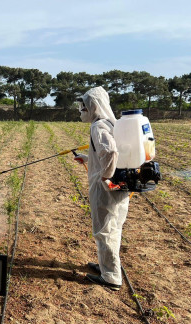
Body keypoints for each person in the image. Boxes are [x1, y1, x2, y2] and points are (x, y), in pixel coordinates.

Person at [74, 86, 129, 291]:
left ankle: (111, 277)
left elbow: (111, 153)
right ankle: (107, 267)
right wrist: (88, 159)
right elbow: (108, 155)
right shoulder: (112, 123)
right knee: (113, 228)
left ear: (93, 106)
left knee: (103, 231)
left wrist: (105, 178)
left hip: (105, 189)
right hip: (119, 187)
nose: (82, 110)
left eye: (84, 106)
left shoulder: (97, 126)